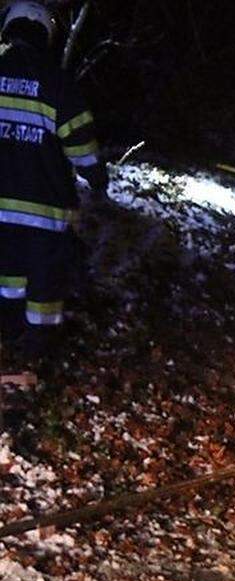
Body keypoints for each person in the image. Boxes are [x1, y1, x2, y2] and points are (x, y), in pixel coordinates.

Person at [0, 1, 107, 367]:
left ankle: (9, 338)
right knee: (44, 286)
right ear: (44, 34)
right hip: (44, 214)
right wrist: (96, 180)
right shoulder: (55, 82)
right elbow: (83, 149)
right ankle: (37, 354)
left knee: (7, 277)